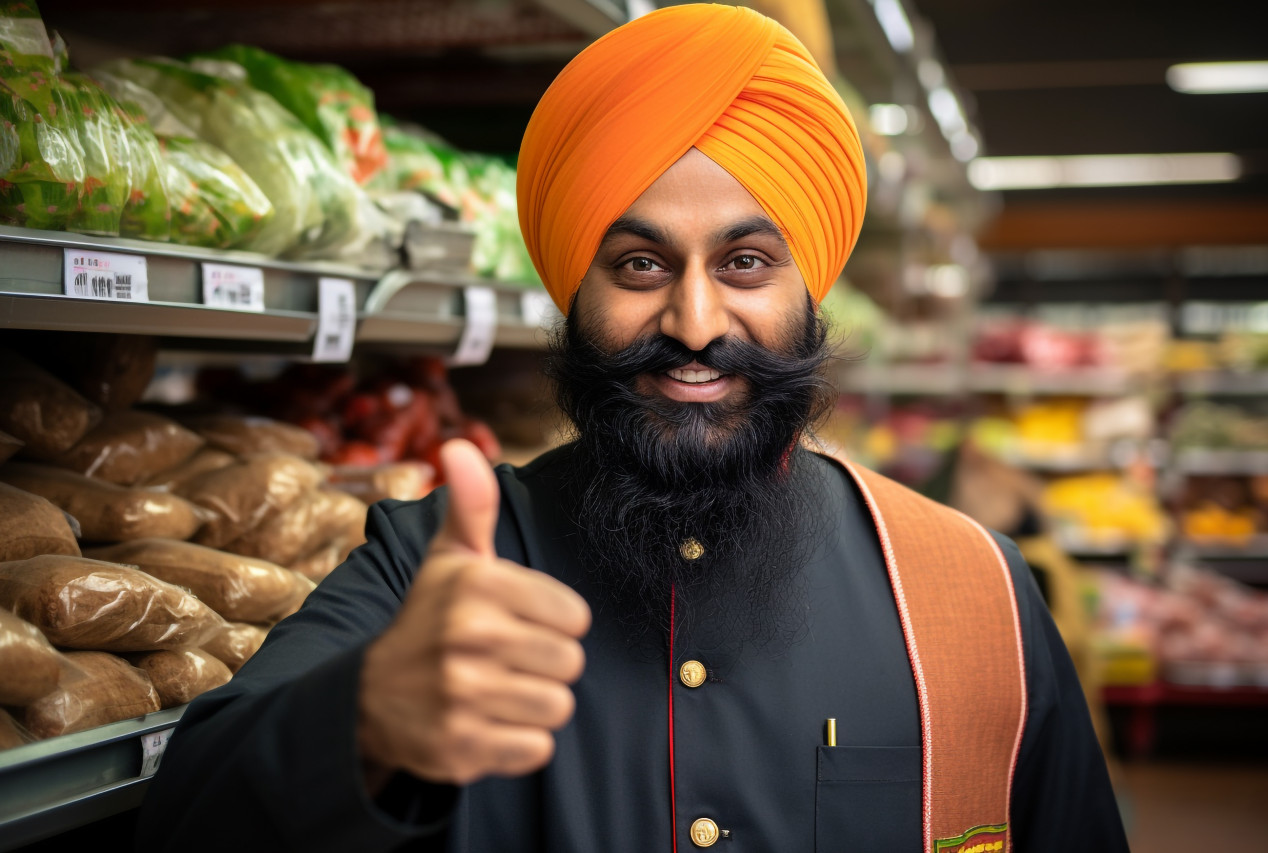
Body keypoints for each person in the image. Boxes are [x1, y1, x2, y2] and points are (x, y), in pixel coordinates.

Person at [136, 5, 1128, 852]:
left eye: (743, 263)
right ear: (573, 288)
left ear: (809, 287)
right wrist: (362, 721)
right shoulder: (433, 564)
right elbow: (186, 818)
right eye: (639, 266)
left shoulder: (973, 594)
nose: (694, 325)